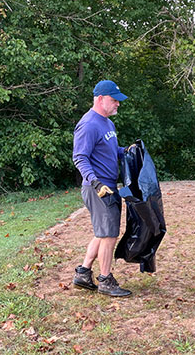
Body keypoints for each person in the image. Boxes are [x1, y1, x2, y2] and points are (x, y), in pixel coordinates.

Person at [72, 80, 132, 297]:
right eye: (114, 100)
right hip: (97, 187)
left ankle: (83, 273)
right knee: (109, 234)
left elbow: (109, 149)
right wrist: (96, 183)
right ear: (100, 99)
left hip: (108, 185)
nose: (118, 104)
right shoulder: (88, 124)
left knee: (102, 231)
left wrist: (127, 151)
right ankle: (106, 280)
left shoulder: (107, 123)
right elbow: (79, 157)